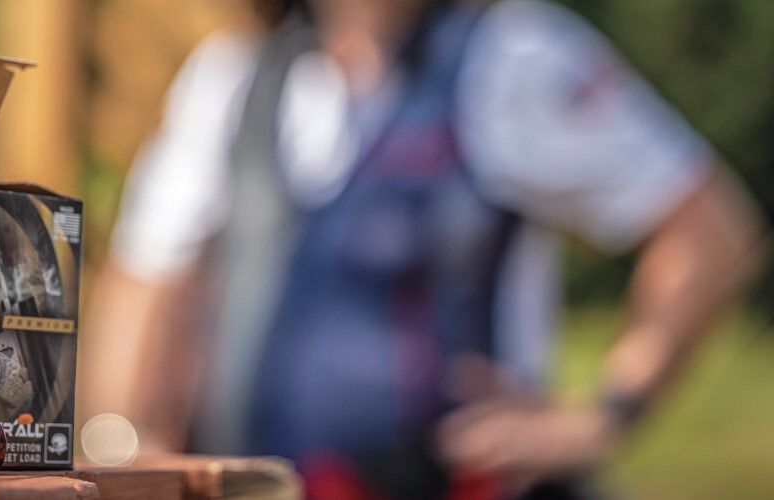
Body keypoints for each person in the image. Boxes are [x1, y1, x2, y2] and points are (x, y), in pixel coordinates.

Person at [80, 0, 765, 497]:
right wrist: (130, 446)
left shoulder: (513, 55)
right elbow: (149, 277)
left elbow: (709, 230)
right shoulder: (234, 76)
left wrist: (603, 416)